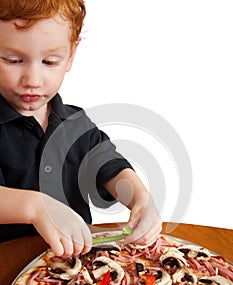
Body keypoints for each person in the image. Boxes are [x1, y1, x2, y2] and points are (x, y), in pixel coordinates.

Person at [0, 0, 162, 257]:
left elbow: (109, 165)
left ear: (70, 56)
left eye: (50, 61)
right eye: (13, 60)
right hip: (8, 264)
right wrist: (36, 207)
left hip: (79, 265)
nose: (32, 79)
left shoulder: (76, 123)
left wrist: (140, 198)